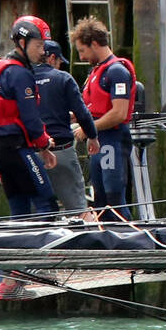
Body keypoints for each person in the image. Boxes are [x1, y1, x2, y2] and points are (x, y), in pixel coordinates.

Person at [0, 16, 58, 217]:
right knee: (47, 204)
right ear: (23, 43)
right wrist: (44, 145)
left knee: (19, 206)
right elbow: (31, 120)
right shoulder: (19, 74)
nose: (43, 52)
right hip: (16, 148)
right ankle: (49, 249)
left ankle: (19, 247)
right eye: (39, 45)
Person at [70, 17, 135, 222]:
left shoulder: (116, 71)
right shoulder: (96, 72)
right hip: (99, 141)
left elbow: (119, 113)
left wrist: (87, 129)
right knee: (99, 197)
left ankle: (129, 238)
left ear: (95, 44)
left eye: (82, 50)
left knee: (113, 197)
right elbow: (92, 107)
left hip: (113, 139)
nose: (81, 56)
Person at [34, 39, 100, 217]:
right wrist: (92, 136)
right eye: (59, 62)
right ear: (52, 58)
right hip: (61, 150)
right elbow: (82, 112)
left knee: (36, 213)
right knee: (79, 212)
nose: (59, 66)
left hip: (31, 154)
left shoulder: (22, 79)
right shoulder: (62, 78)